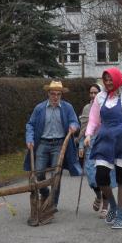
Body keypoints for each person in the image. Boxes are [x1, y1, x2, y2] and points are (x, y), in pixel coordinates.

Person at [84, 68, 122, 229]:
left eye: (111, 79)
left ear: (118, 79)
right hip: (105, 141)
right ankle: (113, 205)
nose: (108, 82)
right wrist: (88, 134)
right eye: (105, 80)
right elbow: (93, 119)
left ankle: (120, 216)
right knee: (101, 176)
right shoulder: (100, 97)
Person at [23, 81, 81, 211]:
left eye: (58, 94)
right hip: (42, 143)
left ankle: (53, 203)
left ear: (61, 95)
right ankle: (45, 193)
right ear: (48, 94)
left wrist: (73, 126)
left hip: (59, 144)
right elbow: (30, 124)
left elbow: (74, 121)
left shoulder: (67, 107)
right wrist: (29, 138)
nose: (55, 97)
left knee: (56, 175)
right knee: (38, 174)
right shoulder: (39, 108)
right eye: (53, 94)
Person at [78, 83, 116, 218]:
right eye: (91, 93)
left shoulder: (108, 106)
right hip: (90, 143)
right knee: (91, 176)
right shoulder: (86, 108)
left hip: (106, 143)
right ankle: (98, 195)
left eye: (95, 92)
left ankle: (105, 206)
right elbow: (83, 130)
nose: (93, 95)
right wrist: (81, 146)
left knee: (105, 176)